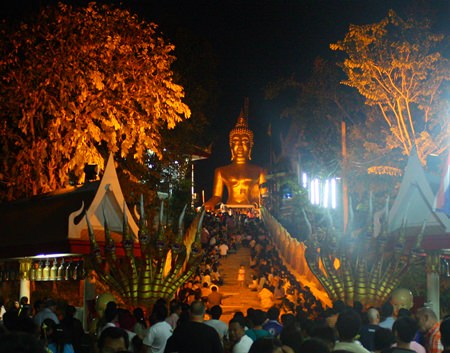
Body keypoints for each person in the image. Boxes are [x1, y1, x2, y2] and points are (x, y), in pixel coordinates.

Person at [204, 109, 266, 211]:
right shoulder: (221, 171)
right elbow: (217, 196)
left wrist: (257, 204)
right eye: (236, 141)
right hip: (229, 210)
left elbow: (264, 196)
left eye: (245, 141)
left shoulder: (259, 171)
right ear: (231, 145)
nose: (240, 145)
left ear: (250, 146)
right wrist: (210, 203)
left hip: (251, 211)